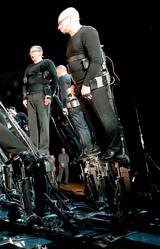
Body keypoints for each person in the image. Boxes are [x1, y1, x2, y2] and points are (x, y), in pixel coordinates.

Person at [57, 7, 123, 162]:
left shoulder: (88, 32)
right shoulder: (70, 42)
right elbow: (76, 66)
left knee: (106, 120)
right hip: (81, 87)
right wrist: (75, 85)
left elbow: (96, 60)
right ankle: (104, 148)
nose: (58, 27)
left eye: (60, 23)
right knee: (93, 124)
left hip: (94, 84)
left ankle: (116, 149)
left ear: (71, 18)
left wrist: (86, 84)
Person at [22, 45, 58, 156]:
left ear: (39, 52)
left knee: (43, 122)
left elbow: (55, 79)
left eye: (32, 51)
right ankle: (34, 149)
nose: (31, 54)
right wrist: (24, 97)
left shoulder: (47, 62)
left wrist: (50, 95)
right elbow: (24, 83)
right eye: (30, 52)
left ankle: (44, 150)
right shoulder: (28, 67)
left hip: (42, 94)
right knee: (32, 124)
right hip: (30, 96)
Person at [56, 64, 99, 158]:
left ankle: (88, 149)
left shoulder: (62, 78)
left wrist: (64, 107)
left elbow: (64, 94)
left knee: (80, 128)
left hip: (72, 106)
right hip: (79, 105)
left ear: (58, 72)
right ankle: (88, 148)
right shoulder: (71, 77)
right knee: (83, 126)